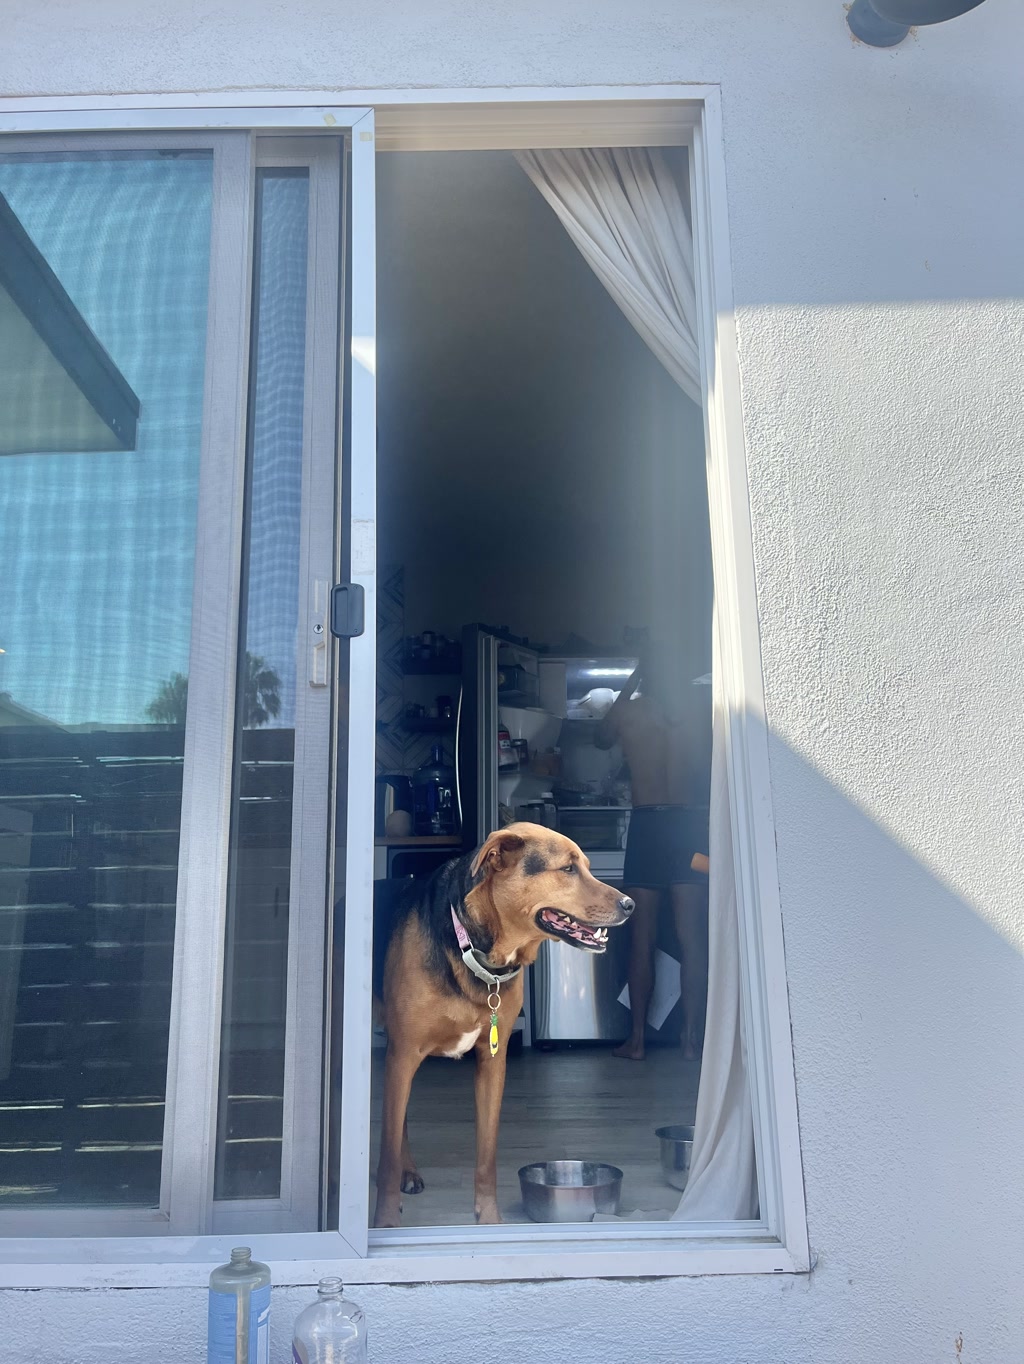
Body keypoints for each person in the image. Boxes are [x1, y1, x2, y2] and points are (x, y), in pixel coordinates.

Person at [594, 650, 710, 1061]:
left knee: (640, 938)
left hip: (647, 827)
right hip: (692, 829)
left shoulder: (630, 712)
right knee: (692, 937)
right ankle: (693, 1041)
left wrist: (633, 680)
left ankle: (638, 1040)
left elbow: (599, 737)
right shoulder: (701, 711)